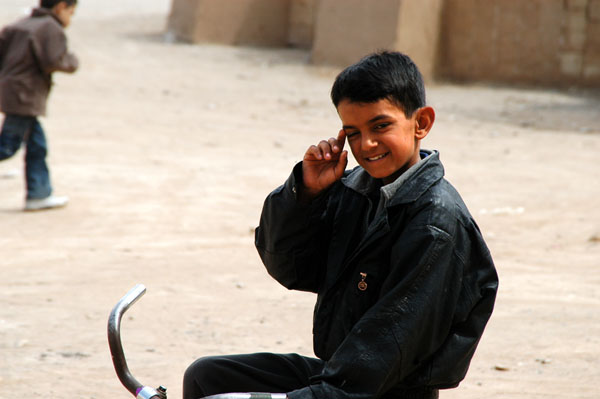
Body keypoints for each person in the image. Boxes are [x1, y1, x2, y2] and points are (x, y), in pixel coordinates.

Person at [183, 51, 498, 399]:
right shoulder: (353, 190)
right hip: (343, 374)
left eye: (380, 126)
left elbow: (388, 346)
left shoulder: (436, 223)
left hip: (380, 388)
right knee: (207, 378)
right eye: (353, 132)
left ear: (421, 123)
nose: (367, 145)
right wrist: (305, 193)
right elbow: (290, 268)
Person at [0, 0, 78, 211]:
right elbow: (54, 60)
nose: (71, 18)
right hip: (25, 96)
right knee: (7, 146)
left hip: (11, 91)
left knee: (36, 145)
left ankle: (39, 193)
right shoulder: (50, 28)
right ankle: (39, 193)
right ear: (61, 7)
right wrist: (72, 61)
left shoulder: (21, 25)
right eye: (71, 12)